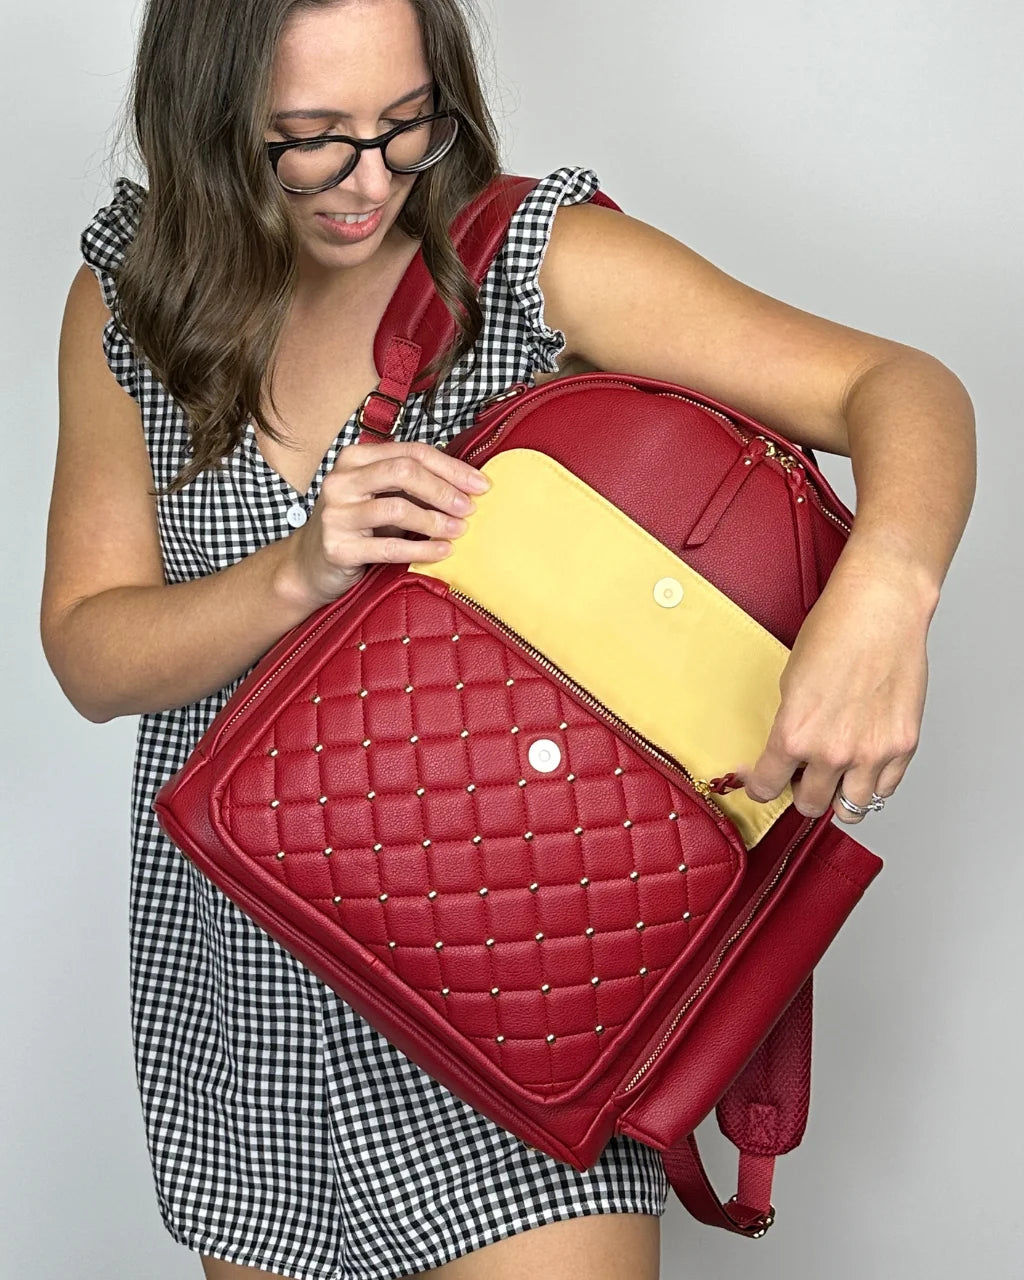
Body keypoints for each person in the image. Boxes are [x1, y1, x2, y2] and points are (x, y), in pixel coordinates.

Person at [41, 0, 976, 1277]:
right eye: (308, 139)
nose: (369, 180)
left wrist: (886, 595)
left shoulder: (528, 256)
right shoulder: (132, 297)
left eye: (406, 124)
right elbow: (91, 652)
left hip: (524, 971)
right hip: (247, 1018)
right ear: (207, 121)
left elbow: (901, 387)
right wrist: (299, 570)